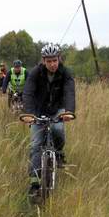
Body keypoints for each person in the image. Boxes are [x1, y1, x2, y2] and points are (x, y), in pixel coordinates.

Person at [21, 43, 75, 199]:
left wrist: (69, 111)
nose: (52, 64)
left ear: (59, 59)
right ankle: (34, 183)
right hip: (38, 111)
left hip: (57, 109)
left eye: (55, 60)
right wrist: (30, 114)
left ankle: (58, 154)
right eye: (49, 61)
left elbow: (69, 92)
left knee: (58, 130)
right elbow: (28, 93)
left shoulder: (65, 73)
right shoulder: (35, 73)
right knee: (36, 145)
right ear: (43, 61)